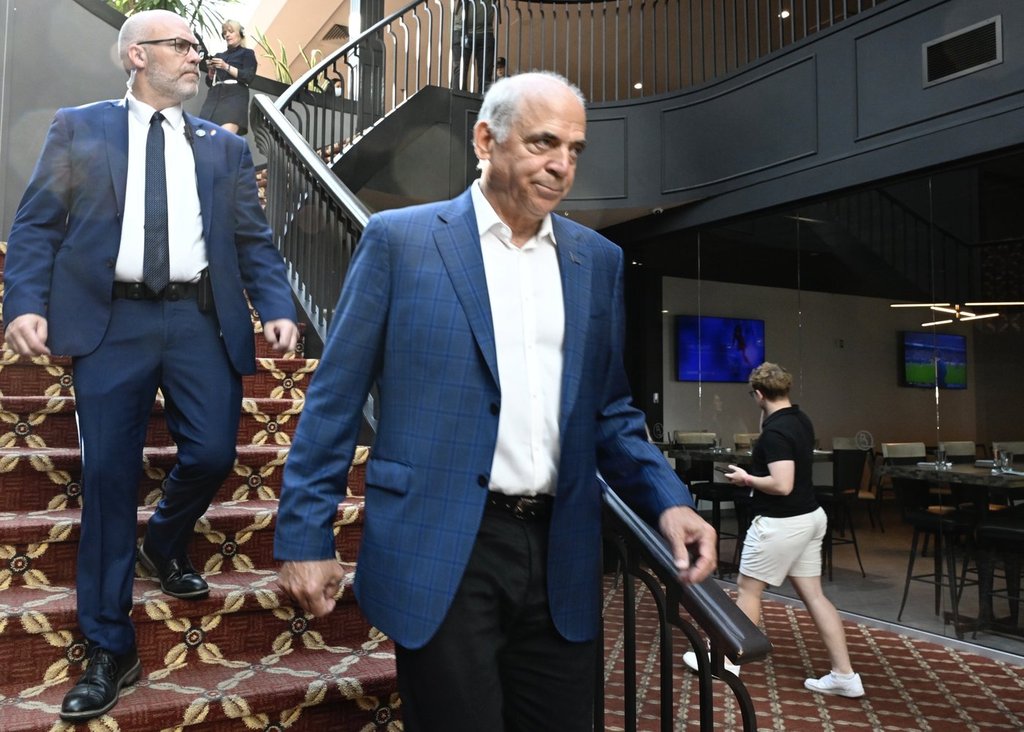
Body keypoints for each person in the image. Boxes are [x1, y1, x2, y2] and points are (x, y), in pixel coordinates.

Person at [273, 71, 717, 731]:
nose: (562, 165)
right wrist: (305, 534)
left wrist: (667, 498)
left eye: (574, 149)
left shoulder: (594, 260)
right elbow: (334, 399)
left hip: (562, 547)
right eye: (543, 143)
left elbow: (611, 411)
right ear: (486, 138)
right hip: (447, 540)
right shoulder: (402, 242)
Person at [3, 9, 299, 721]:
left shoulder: (222, 148)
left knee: (214, 450)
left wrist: (277, 303)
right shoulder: (81, 127)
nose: (196, 57)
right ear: (137, 55)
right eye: (182, 46)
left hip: (200, 319)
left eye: (196, 47)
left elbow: (252, 239)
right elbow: (38, 222)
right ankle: (110, 646)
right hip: (113, 321)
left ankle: (164, 537)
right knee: (108, 478)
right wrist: (23, 303)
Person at [684, 362, 864, 698]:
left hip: (782, 523)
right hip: (809, 517)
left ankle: (724, 662)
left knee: (748, 589)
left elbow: (782, 484)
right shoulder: (798, 419)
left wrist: (746, 479)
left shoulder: (776, 433)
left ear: (758, 393)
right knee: (814, 596)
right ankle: (845, 675)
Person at [198, 19, 256, 135]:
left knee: (223, 138)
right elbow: (209, 82)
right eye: (225, 33)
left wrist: (225, 66)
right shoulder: (219, 55)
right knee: (204, 136)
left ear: (240, 33)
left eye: (230, 31)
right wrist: (211, 74)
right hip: (214, 98)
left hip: (234, 98)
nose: (227, 35)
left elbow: (248, 77)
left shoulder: (247, 53)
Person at [452, 0, 496, 93]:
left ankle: (484, 105)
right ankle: (459, 105)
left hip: (485, 31)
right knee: (460, 72)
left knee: (486, 73)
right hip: (461, 31)